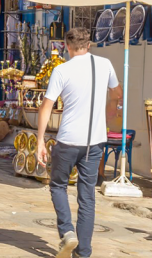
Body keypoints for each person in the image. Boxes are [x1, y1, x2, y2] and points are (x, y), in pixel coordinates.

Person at [36, 27, 122, 258]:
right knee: (87, 198)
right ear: (89, 45)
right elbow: (117, 93)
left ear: (67, 46)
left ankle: (66, 232)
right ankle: (83, 253)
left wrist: (40, 141)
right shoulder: (104, 65)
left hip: (68, 140)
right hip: (94, 142)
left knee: (57, 186)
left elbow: (46, 107)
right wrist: (110, 112)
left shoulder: (62, 70)